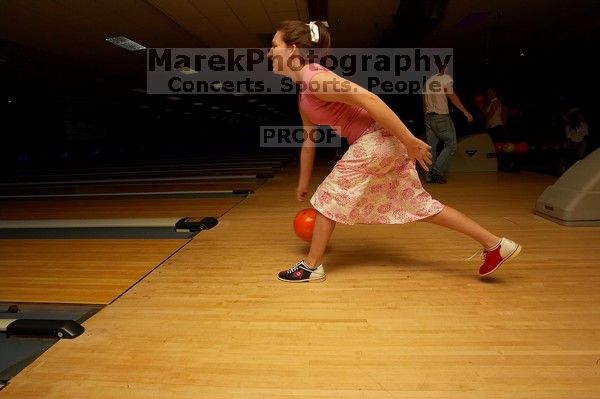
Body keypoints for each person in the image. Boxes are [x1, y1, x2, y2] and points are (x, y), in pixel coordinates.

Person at [268, 20, 521, 283]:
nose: (269, 52)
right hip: (381, 143)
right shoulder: (303, 94)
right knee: (423, 206)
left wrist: (409, 140)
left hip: (377, 140)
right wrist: (302, 181)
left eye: (274, 45)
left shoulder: (316, 79)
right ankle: (496, 245)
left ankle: (311, 266)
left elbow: (370, 99)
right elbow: (309, 140)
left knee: (327, 198)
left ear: (293, 50)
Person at [422, 65, 473, 183]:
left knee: (431, 148)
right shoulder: (445, 78)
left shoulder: (428, 82)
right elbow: (452, 95)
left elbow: (424, 103)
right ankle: (436, 171)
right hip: (441, 117)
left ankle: (429, 176)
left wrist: (427, 118)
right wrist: (465, 112)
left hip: (429, 118)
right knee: (451, 144)